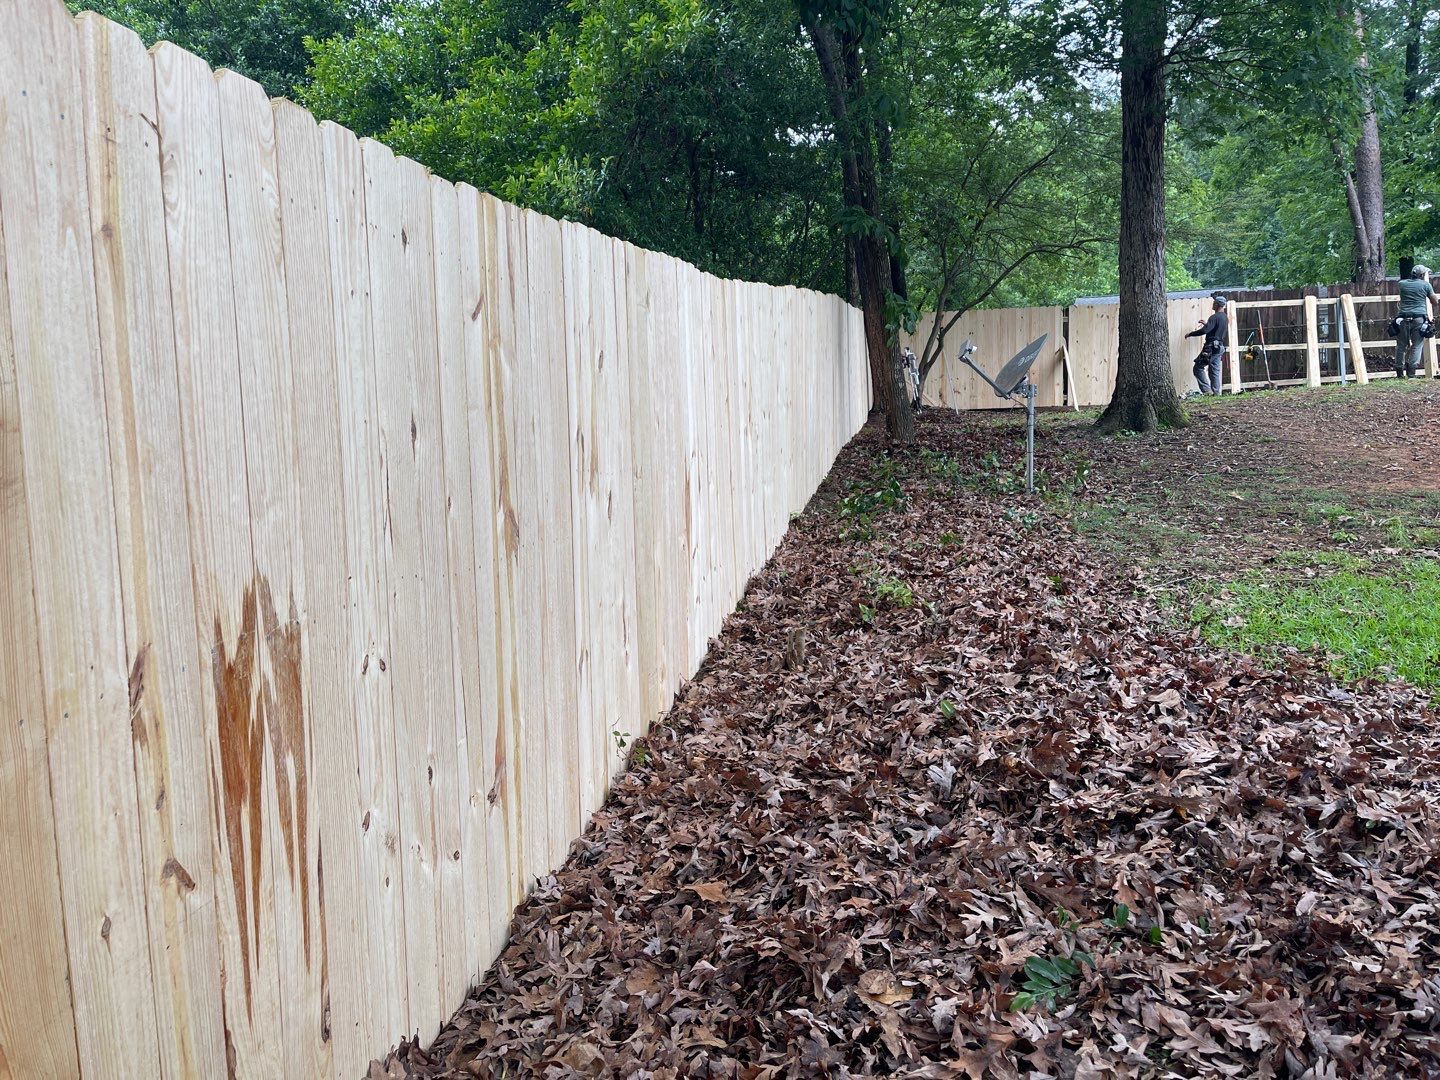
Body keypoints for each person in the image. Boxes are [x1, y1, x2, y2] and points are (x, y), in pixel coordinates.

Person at [1395, 265, 1435, 379]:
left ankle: (1399, 373)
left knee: (1401, 346)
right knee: (1417, 345)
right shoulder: (1425, 285)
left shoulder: (1401, 284)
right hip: (1419, 319)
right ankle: (1411, 374)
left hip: (1402, 318)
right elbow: (1435, 301)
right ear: (1422, 275)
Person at [1186, 295, 1229, 395]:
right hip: (1220, 347)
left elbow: (1204, 331)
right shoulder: (1224, 317)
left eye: (1214, 303)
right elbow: (1216, 330)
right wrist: (1207, 324)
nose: (1212, 304)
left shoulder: (1214, 317)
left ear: (1217, 304)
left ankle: (1207, 391)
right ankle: (1216, 393)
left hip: (1211, 347)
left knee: (1198, 368)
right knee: (1214, 370)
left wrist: (1190, 334)